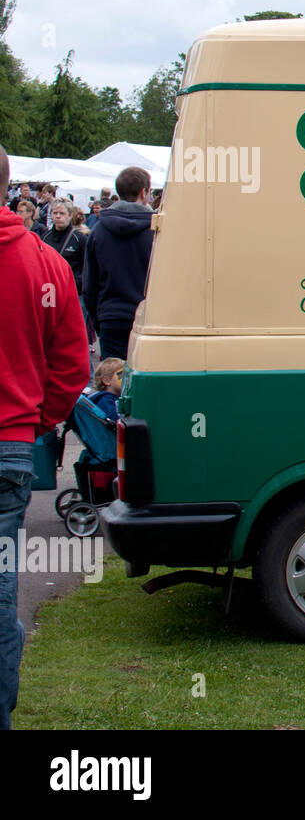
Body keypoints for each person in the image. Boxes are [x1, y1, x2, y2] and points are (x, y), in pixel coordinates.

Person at [0, 144, 89, 730]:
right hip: (9, 444)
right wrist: (39, 419)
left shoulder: (46, 256)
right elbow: (71, 364)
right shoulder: (44, 262)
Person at [82, 167, 156, 361]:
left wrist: (99, 321)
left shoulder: (98, 232)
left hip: (111, 318)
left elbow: (89, 285)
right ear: (144, 192)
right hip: (147, 318)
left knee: (114, 383)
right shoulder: (156, 233)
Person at [42, 199, 87, 299]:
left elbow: (86, 267)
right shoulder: (45, 237)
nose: (58, 216)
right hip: (49, 292)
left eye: (62, 213)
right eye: (55, 213)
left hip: (72, 292)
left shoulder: (79, 238)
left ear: (70, 215)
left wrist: (76, 284)